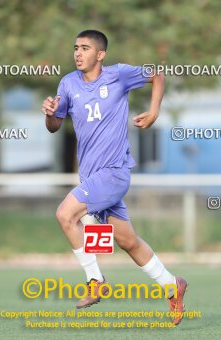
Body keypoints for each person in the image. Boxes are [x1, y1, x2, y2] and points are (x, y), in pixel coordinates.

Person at [41, 29, 187, 325]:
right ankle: (173, 286)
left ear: (100, 54)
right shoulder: (68, 83)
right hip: (92, 178)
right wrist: (50, 114)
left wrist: (154, 111)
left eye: (84, 48)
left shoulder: (119, 75)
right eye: (75, 48)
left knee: (65, 214)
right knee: (127, 241)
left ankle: (95, 281)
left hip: (114, 173)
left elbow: (157, 75)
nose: (78, 53)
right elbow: (55, 126)